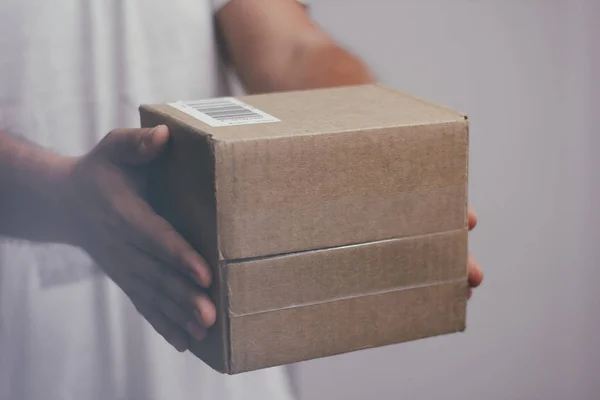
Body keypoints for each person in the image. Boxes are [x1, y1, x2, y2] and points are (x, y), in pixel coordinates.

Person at [0, 0, 484, 399]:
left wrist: (381, 160)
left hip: (225, 362)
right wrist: (62, 198)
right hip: (32, 361)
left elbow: (291, 49)